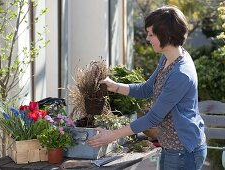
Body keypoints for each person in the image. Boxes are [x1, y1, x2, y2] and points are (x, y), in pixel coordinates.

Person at [87, 5, 207, 170]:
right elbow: (147, 89)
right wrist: (114, 86)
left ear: (166, 35)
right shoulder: (167, 59)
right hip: (171, 147)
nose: (148, 38)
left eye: (151, 34)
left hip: (183, 151)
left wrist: (111, 135)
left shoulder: (181, 73)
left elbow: (153, 118)